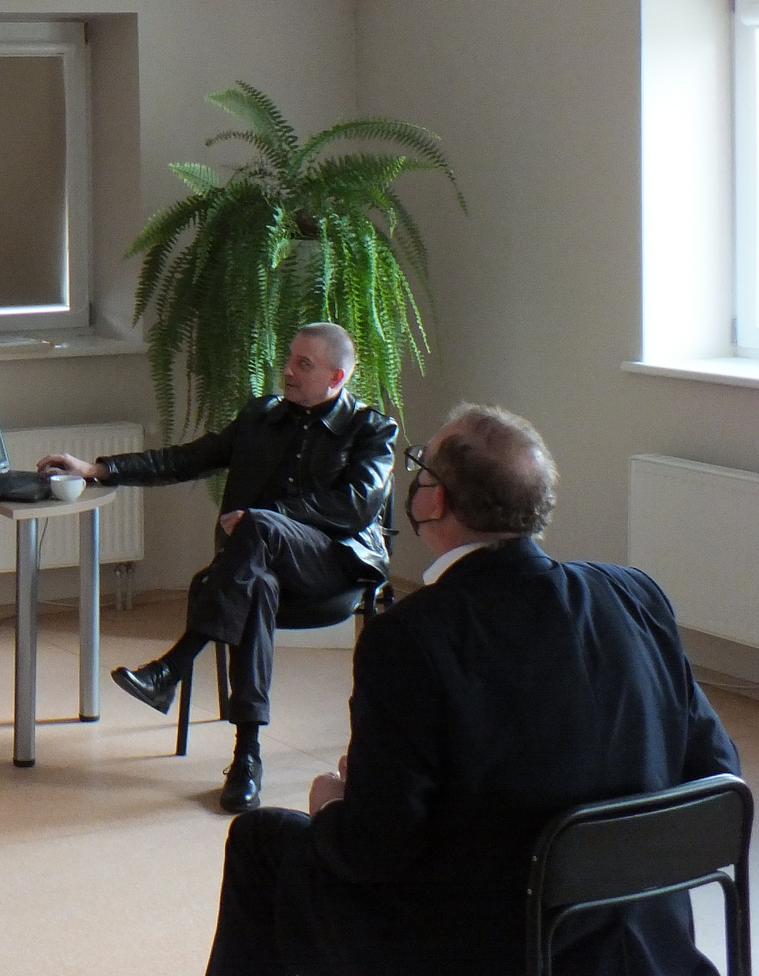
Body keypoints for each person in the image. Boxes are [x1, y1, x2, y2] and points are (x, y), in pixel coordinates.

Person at [203, 404, 741, 976]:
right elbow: (717, 771)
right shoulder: (634, 593)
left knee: (262, 840)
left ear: (434, 500)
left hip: (483, 947)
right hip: (647, 945)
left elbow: (375, 852)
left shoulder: (408, 637)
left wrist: (335, 805)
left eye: (421, 466)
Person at [38, 323, 395, 812]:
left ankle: (175, 664)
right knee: (257, 586)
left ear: (337, 377)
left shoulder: (371, 429)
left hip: (332, 564)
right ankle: (247, 756)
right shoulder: (260, 417)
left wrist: (268, 517)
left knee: (261, 526)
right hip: (255, 566)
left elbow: (356, 506)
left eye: (303, 364)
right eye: (289, 358)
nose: (288, 371)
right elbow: (187, 459)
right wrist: (99, 469)